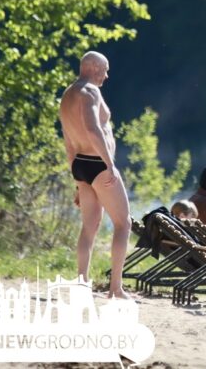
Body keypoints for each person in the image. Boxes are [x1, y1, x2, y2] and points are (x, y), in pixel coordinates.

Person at [59, 51, 131, 299]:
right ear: (92, 68)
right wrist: (109, 164)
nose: (106, 76)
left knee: (89, 226)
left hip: (80, 164)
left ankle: (82, 283)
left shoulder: (67, 95)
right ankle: (115, 288)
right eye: (105, 70)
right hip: (98, 164)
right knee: (123, 223)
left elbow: (69, 141)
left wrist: (76, 179)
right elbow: (92, 129)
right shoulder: (89, 91)